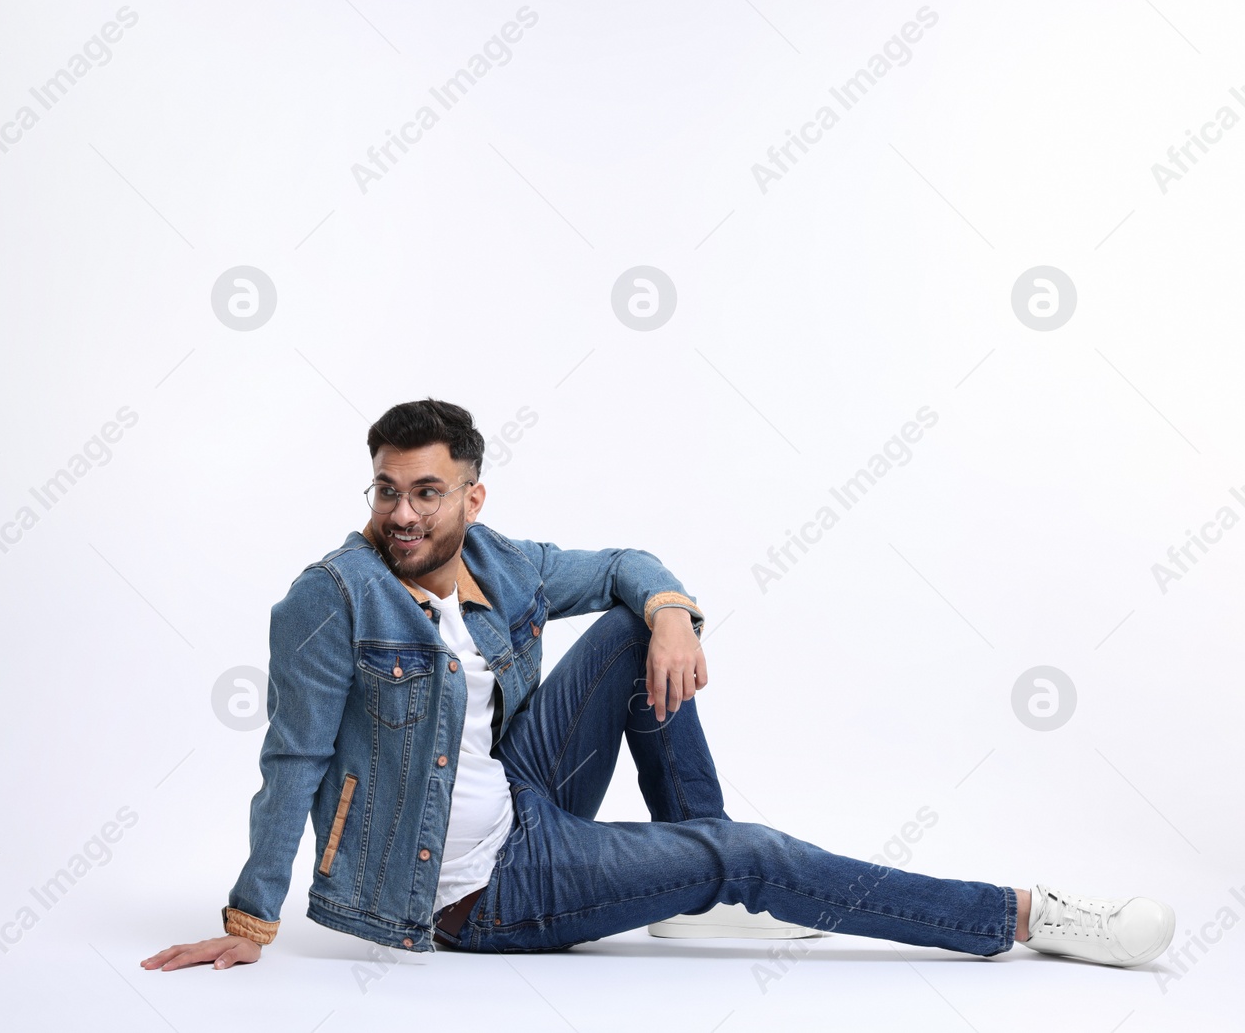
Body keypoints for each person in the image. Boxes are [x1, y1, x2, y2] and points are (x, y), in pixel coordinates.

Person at [143, 398, 1174, 973]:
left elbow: (630, 561)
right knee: (756, 852)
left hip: (526, 799)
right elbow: (293, 759)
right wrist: (250, 920)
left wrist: (673, 614)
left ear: (471, 492)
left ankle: (704, 884)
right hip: (474, 890)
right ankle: (1025, 914)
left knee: (638, 621)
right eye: (384, 488)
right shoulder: (329, 598)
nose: (401, 513)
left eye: (425, 490)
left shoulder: (501, 561)